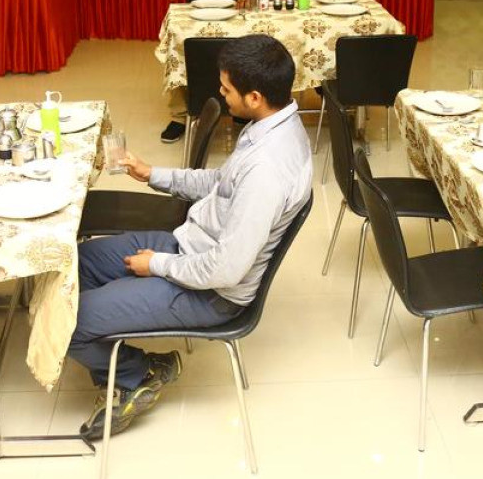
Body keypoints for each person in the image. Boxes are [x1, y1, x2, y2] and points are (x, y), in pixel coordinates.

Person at [68, 35, 312, 440]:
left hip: (211, 291)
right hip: (190, 246)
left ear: (254, 97)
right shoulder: (271, 123)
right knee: (77, 266)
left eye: (227, 90)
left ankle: (137, 375)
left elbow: (226, 270)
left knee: (68, 320)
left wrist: (157, 265)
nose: (221, 93)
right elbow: (221, 183)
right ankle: (118, 352)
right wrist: (153, 174)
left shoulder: (268, 170)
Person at [161, 0, 266, 143]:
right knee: (177, 48)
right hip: (197, 26)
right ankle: (180, 116)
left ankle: (243, 108)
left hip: (236, 28)